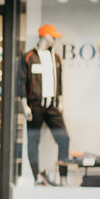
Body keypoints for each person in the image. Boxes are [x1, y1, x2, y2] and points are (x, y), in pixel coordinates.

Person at [23, 24, 69, 186]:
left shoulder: (56, 58)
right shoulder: (29, 57)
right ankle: (37, 176)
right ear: (45, 36)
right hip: (35, 105)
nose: (55, 39)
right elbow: (22, 81)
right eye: (53, 36)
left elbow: (60, 81)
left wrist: (60, 100)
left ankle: (63, 177)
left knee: (64, 139)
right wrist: (24, 103)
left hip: (52, 105)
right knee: (33, 140)